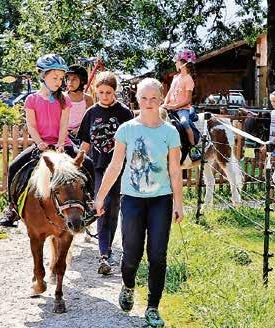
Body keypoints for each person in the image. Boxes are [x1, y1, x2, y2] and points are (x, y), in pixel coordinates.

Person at [95, 78, 183, 327]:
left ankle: (153, 307)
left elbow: (175, 170)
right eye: (144, 98)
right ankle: (128, 286)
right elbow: (115, 166)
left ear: (161, 99)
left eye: (153, 98)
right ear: (137, 99)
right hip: (132, 199)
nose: (148, 103)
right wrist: (100, 197)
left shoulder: (170, 132)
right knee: (131, 254)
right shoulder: (126, 129)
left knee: (157, 255)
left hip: (161, 201)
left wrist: (179, 202)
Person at [0, 54, 93, 227]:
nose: (59, 81)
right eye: (54, 77)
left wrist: (59, 143)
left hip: (61, 145)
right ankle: (12, 207)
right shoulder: (31, 100)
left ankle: (89, 204)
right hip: (41, 144)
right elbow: (31, 126)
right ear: (42, 76)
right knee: (14, 167)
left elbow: (64, 124)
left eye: (61, 78)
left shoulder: (64, 100)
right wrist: (40, 142)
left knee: (88, 164)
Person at [77, 71, 133, 274]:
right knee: (102, 205)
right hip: (98, 165)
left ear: (114, 91)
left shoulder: (124, 113)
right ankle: (103, 254)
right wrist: (78, 161)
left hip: (119, 165)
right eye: (100, 92)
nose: (104, 96)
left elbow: (132, 141)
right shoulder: (91, 113)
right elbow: (85, 142)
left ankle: (107, 249)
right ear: (95, 91)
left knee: (113, 207)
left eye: (108, 92)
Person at [161, 49, 201, 161]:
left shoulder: (189, 80)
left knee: (184, 122)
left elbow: (188, 100)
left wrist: (174, 107)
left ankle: (193, 148)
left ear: (183, 63)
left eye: (177, 61)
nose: (175, 63)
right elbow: (169, 92)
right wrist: (164, 104)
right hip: (170, 107)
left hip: (182, 109)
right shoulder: (175, 77)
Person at [66, 64, 94, 143]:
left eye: (74, 79)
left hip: (82, 134)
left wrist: (80, 128)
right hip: (64, 134)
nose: (70, 82)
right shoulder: (62, 97)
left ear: (82, 81)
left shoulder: (87, 99)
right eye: (68, 79)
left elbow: (90, 119)